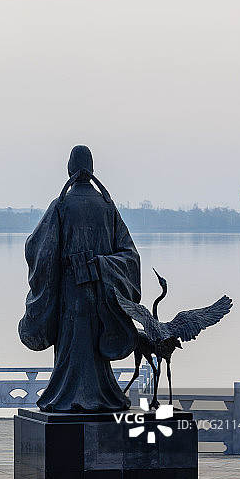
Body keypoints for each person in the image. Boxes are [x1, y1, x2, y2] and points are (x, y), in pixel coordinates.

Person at [18, 145, 141, 413]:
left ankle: (67, 396)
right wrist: (105, 267)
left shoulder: (61, 205)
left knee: (72, 347)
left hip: (71, 293)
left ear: (70, 168)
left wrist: (88, 265)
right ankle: (100, 395)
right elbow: (130, 255)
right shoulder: (107, 207)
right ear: (92, 169)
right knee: (91, 348)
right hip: (100, 296)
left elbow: (40, 249)